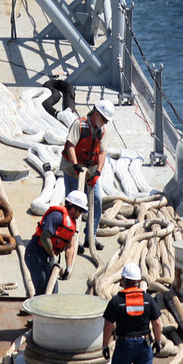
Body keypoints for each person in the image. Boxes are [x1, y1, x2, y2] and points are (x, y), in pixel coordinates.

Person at [60, 99, 114, 253]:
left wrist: (98, 172)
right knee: (73, 205)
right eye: (103, 119)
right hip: (72, 169)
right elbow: (71, 146)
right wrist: (76, 165)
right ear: (96, 114)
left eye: (106, 121)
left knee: (96, 200)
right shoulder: (79, 124)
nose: (105, 123)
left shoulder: (102, 130)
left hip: (90, 170)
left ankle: (91, 236)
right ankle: (71, 239)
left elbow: (103, 152)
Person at [23, 190, 88, 296]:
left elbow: (70, 246)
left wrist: (69, 267)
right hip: (36, 253)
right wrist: (53, 257)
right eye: (80, 211)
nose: (81, 214)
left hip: (48, 256)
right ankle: (37, 310)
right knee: (42, 287)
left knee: (53, 289)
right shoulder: (56, 216)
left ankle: (50, 310)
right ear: (73, 207)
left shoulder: (71, 222)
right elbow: (44, 238)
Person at [102, 263, 163, 364]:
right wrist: (157, 342)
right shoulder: (148, 299)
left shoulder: (116, 301)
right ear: (138, 281)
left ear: (122, 281)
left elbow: (108, 325)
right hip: (144, 344)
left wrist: (105, 345)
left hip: (124, 345)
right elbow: (156, 323)